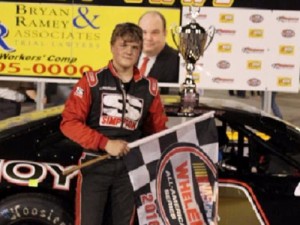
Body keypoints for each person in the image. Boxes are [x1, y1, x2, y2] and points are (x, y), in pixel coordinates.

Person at [60, 22, 168, 225]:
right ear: (112, 46)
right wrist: (105, 143)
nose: (129, 51)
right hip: (95, 164)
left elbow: (157, 131)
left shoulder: (150, 88)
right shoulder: (92, 80)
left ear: (140, 51)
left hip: (130, 169)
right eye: (124, 45)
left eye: (135, 47)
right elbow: (69, 123)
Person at [138, 10, 179, 94]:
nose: (148, 38)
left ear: (165, 33)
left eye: (154, 32)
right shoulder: (127, 56)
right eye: (144, 32)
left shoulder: (178, 62)